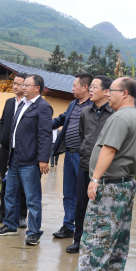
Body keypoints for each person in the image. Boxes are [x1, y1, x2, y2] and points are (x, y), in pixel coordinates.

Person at [58, 77, 136, 271]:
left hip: (111, 184)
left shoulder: (120, 118)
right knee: (119, 232)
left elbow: (109, 150)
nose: (108, 94)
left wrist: (95, 178)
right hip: (125, 184)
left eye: (112, 91)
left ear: (124, 93)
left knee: (97, 232)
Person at [0, 74, 53, 246]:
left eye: (27, 85)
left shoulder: (43, 107)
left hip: (30, 161)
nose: (23, 87)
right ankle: (10, 225)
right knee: (10, 195)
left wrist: (43, 159)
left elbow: (45, 134)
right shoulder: (22, 105)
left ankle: (34, 232)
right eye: (23, 84)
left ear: (37, 88)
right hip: (14, 159)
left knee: (32, 199)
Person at [66, 75, 114, 254]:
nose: (91, 90)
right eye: (90, 86)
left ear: (106, 91)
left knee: (101, 208)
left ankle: (98, 244)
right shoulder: (86, 112)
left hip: (106, 170)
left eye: (95, 87)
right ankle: (78, 240)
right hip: (85, 164)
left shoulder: (114, 114)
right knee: (81, 205)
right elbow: (82, 135)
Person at [51, 72, 93, 239]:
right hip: (69, 155)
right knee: (68, 193)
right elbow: (61, 119)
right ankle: (68, 226)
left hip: (83, 157)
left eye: (74, 86)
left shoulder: (92, 107)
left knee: (83, 194)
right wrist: (42, 124)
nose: (72, 88)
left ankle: (84, 229)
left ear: (85, 87)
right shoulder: (73, 104)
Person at [0, 73, 28, 228]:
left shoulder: (29, 104)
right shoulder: (9, 102)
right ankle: (2, 212)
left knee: (22, 184)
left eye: (18, 84)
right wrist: (1, 136)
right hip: (6, 150)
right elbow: (2, 121)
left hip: (22, 152)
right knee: (4, 182)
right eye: (14, 83)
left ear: (26, 86)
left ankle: (21, 216)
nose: (14, 86)